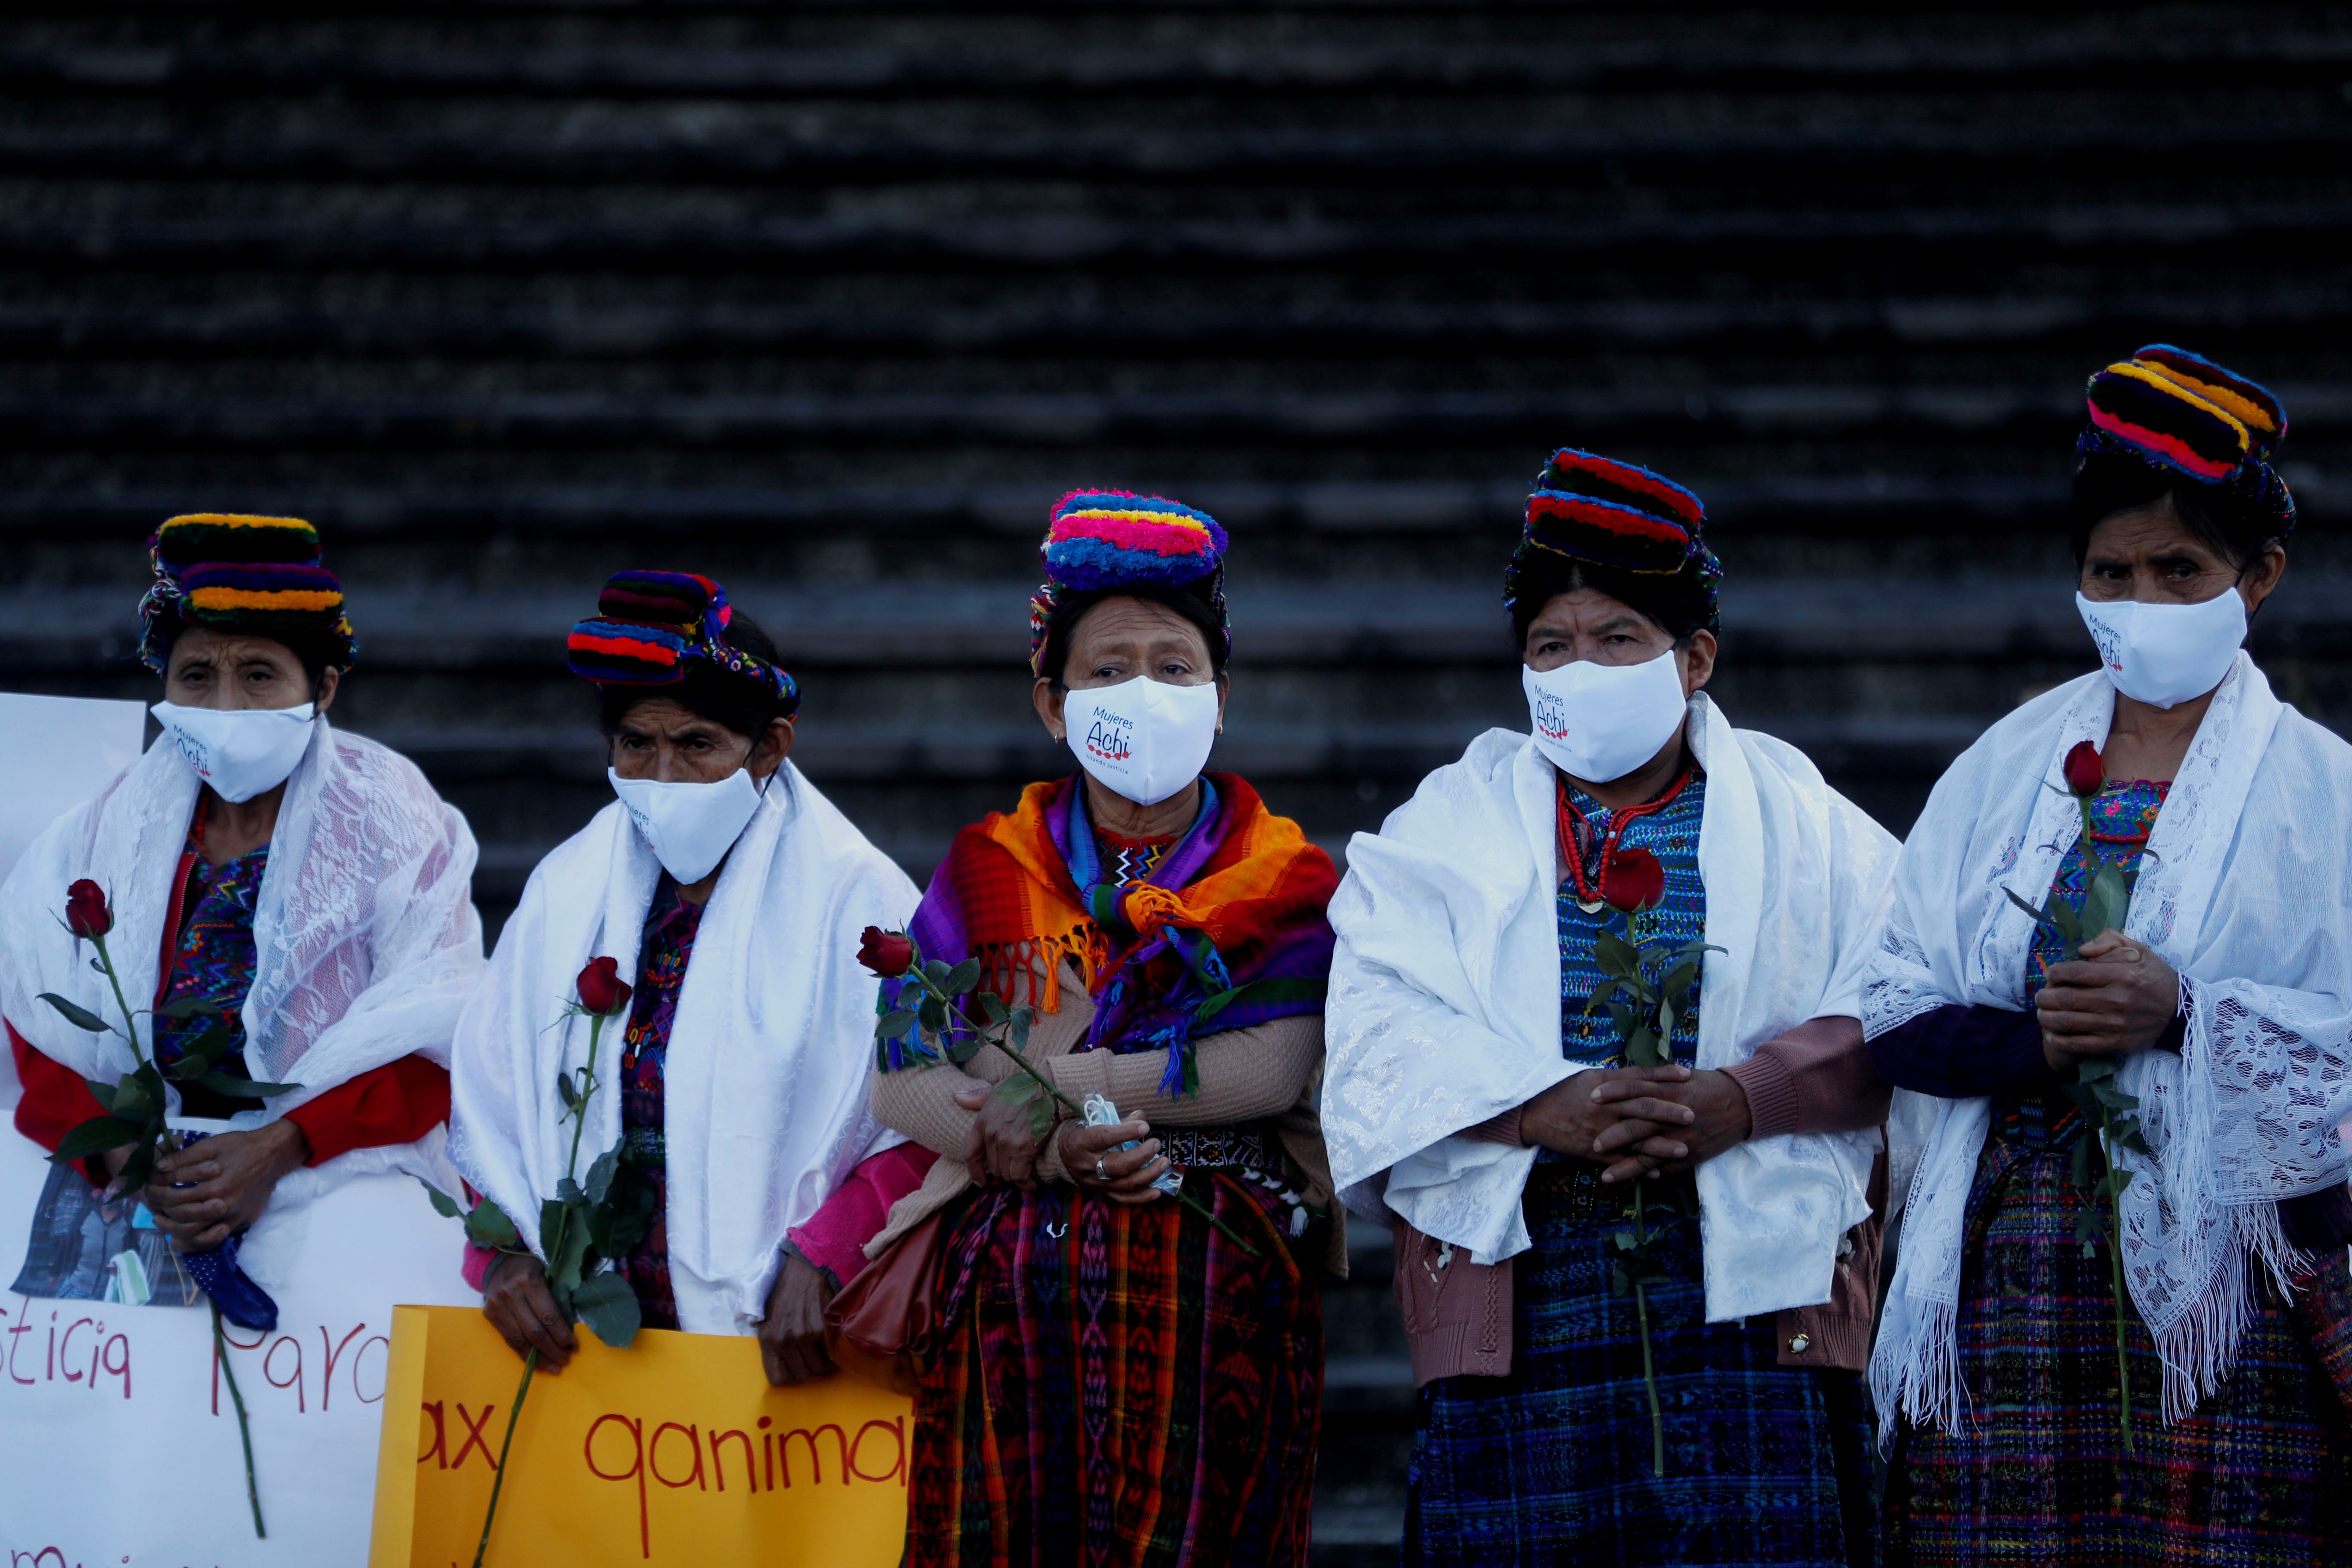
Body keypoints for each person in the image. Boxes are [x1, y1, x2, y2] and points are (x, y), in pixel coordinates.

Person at [1320, 450, 1901, 1567]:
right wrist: (1549, 1106)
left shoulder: (1808, 823)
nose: (1577, 670)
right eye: (1551, 645)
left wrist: (1745, 1097)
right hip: (1529, 1327)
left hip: (1750, 1336)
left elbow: (1897, 994)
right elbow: (1376, 1029)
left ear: (1697, 659)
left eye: (1617, 640)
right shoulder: (1442, 829)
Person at [1869, 347, 2352, 1563]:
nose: (2140, 600)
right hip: (2014, 1275)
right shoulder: (2001, 773)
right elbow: (1891, 998)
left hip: (2238, 1290)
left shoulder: (2322, 795)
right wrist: (2043, 1038)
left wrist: (2186, 1011)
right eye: (2112, 572)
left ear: (2262, 579)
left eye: (2180, 571)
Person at [867, 492, 1342, 1567]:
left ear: (1221, 698)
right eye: (1108, 667)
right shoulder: (987, 871)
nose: (1145, 692)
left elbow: (1267, 1068)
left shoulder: (1281, 880)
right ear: (1053, 702)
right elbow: (900, 1075)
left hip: (1209, 1291)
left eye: (1176, 668)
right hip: (1010, 1298)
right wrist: (1048, 1143)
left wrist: (1054, 1088)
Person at [448, 570, 927, 1385]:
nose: (661, 776)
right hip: (593, 1347)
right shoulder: (566, 894)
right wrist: (500, 1256)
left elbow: (915, 1119)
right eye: (637, 743)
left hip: (790, 1341)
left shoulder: (857, 898)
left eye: (697, 745)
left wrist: (826, 1255)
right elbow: (491, 1101)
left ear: (770, 747)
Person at [1, 513, 481, 1327]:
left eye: (259, 675)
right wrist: (120, 1143)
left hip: (339, 1192)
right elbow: (31, 1009)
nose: (225, 705)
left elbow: (438, 1032)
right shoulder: (103, 832)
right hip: (144, 1196)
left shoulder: (396, 822)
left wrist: (282, 1145)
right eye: (196, 677)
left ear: (322, 689)